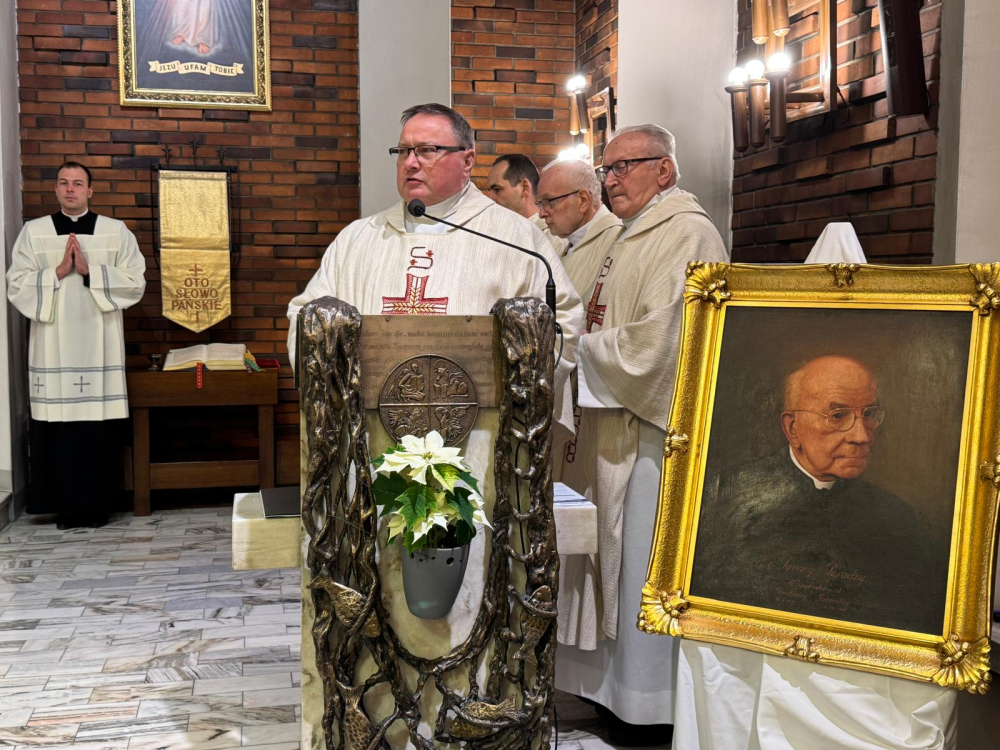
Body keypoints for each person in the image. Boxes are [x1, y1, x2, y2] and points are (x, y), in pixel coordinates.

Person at [555, 124, 727, 745]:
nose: (612, 179)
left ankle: (648, 705)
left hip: (653, 438)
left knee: (639, 562)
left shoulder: (687, 233)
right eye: (607, 168)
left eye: (625, 166)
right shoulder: (628, 233)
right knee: (612, 557)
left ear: (665, 170)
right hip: (609, 422)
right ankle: (610, 693)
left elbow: (665, 341)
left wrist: (579, 352)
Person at [286, 104, 582, 436]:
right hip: (368, 435)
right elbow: (306, 317)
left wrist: (515, 391)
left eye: (427, 150)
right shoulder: (357, 239)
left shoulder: (516, 237)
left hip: (484, 436)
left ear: (467, 161)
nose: (410, 162)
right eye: (403, 151)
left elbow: (562, 320)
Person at [692, 355, 944, 635]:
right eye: (838, 416)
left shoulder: (899, 520)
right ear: (793, 428)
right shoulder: (720, 499)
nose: (862, 436)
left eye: (869, 414)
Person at [6, 161, 147, 529]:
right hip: (52, 342)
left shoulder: (115, 232)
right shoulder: (34, 232)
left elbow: (136, 281)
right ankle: (61, 507)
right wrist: (56, 272)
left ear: (90, 191)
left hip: (99, 342)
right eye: (64, 183)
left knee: (95, 429)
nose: (70, 189)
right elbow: (16, 283)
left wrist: (89, 271)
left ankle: (97, 506)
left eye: (78, 183)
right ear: (55, 189)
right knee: (58, 427)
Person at [536, 158, 621, 295]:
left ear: (583, 200)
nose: (541, 214)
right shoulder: (567, 244)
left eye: (549, 202)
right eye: (540, 203)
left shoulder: (616, 242)